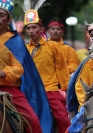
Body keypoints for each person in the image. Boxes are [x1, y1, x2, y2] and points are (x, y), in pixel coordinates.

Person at [0, 0, 54, 133]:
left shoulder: (14, 42)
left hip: (10, 91)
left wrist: (3, 73)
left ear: (8, 20)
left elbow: (19, 68)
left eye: (1, 15)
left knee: (33, 121)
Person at [19, 0, 71, 132]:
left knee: (63, 119)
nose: (31, 31)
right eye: (28, 28)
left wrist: (65, 89)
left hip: (50, 89)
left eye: (34, 27)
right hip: (30, 92)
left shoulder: (52, 46)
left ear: (41, 29)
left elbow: (61, 68)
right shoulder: (23, 49)